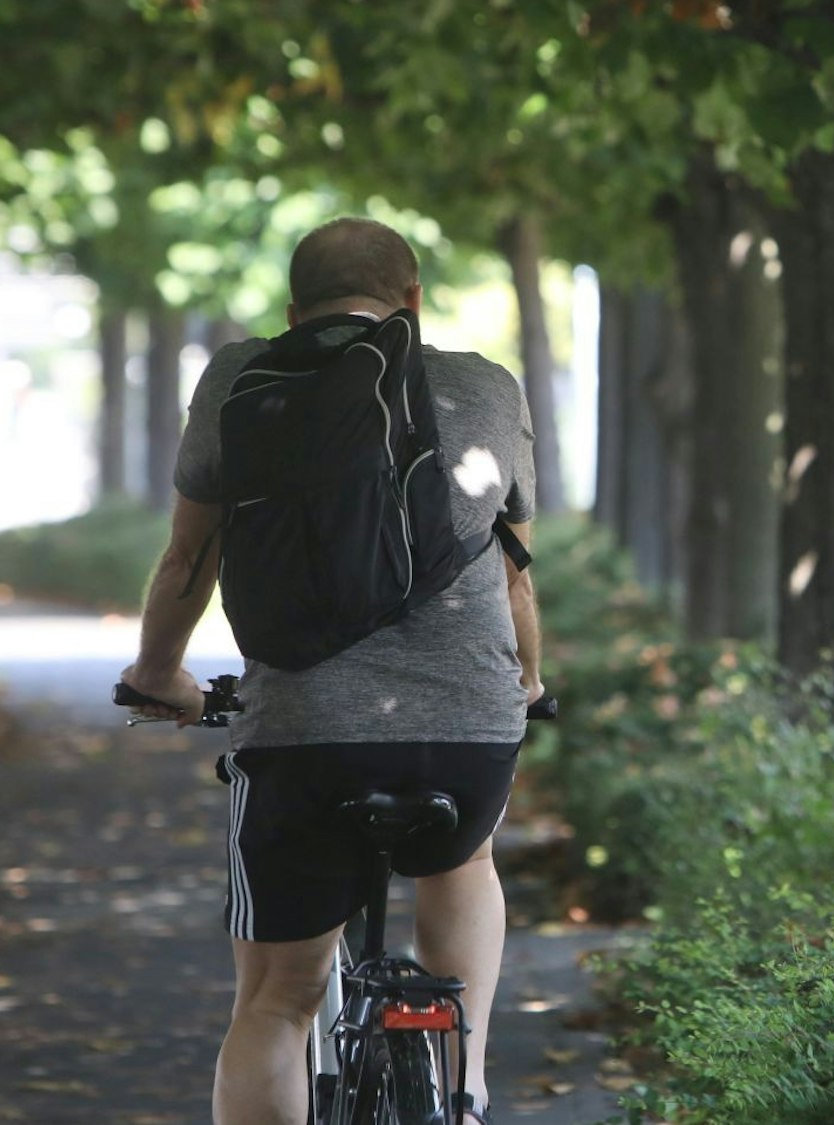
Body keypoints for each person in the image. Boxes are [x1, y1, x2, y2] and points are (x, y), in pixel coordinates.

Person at [120, 216, 539, 1125]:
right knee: (464, 855)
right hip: (465, 736)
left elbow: (187, 560)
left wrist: (160, 674)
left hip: (302, 735)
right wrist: (527, 686)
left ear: (292, 311)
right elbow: (512, 574)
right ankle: (463, 1089)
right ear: (414, 300)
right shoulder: (482, 385)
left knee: (277, 997)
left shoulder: (242, 377)